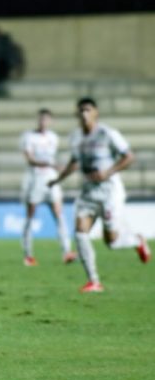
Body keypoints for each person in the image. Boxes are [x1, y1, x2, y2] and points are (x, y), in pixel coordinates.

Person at [48, 97, 150, 292]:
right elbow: (74, 162)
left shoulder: (107, 133)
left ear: (96, 113)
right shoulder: (75, 137)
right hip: (88, 192)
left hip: (110, 191)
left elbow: (129, 157)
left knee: (111, 242)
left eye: (88, 110)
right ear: (77, 115)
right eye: (81, 111)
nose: (84, 114)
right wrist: (58, 180)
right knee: (80, 233)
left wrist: (108, 172)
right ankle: (94, 281)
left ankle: (137, 240)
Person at [19, 109, 76, 266]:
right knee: (30, 216)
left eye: (46, 119)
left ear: (50, 121)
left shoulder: (53, 137)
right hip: (35, 178)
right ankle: (28, 254)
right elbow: (30, 159)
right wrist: (49, 164)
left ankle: (66, 251)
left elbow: (53, 158)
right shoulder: (29, 137)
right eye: (41, 119)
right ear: (37, 120)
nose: (43, 122)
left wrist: (56, 168)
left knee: (58, 214)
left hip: (51, 178)